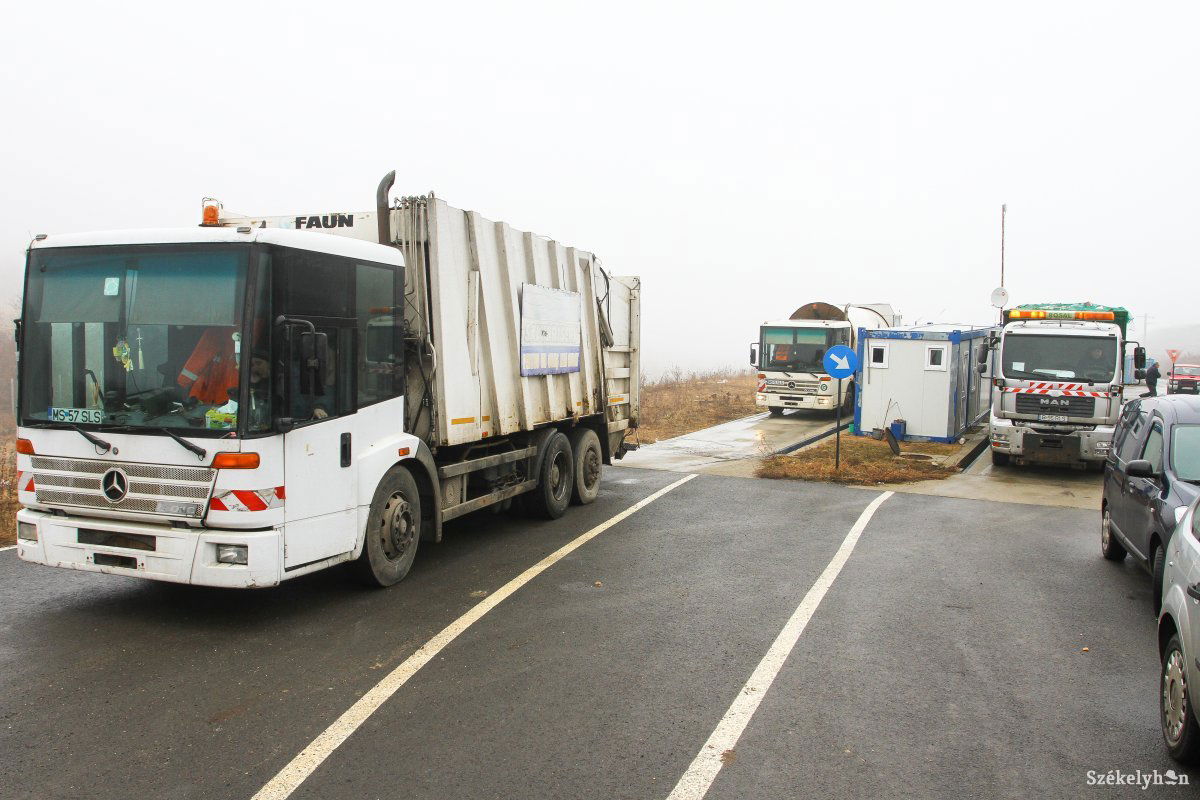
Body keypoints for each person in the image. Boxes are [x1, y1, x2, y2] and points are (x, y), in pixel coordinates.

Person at [178, 327, 239, 405]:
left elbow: (200, 356)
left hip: (218, 396)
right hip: (232, 396)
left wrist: (183, 381)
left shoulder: (217, 330)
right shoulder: (250, 326)